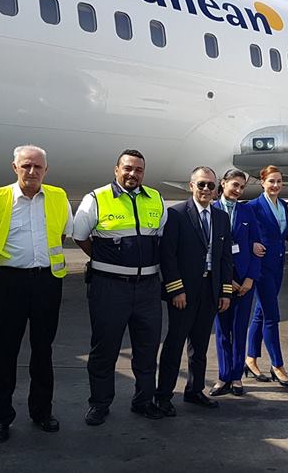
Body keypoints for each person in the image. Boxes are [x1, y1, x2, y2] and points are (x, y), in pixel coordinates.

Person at [0, 145, 73, 443]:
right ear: (14, 168)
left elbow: (62, 234)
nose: (32, 171)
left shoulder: (58, 197)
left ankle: (42, 412)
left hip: (47, 283)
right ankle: (1, 418)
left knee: (43, 351)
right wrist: (4, 268)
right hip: (9, 284)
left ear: (46, 170)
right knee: (3, 352)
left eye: (38, 166)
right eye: (26, 165)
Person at [73, 149, 167, 423]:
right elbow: (80, 236)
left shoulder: (156, 198)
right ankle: (100, 404)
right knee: (105, 349)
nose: (132, 174)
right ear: (116, 170)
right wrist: (107, 260)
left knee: (147, 349)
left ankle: (144, 401)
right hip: (109, 288)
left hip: (148, 288)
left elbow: (160, 237)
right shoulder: (96, 198)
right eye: (127, 168)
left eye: (138, 170)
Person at [155, 167, 234, 414]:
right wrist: (175, 290)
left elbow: (225, 258)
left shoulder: (221, 217)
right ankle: (163, 395)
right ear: (191, 186)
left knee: (199, 345)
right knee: (175, 343)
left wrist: (225, 291)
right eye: (201, 184)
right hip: (185, 291)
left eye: (211, 185)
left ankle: (195, 390)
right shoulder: (177, 214)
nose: (206, 189)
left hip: (210, 289)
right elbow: (168, 256)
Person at [210, 169, 261, 397]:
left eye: (242, 187)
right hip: (222, 280)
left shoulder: (247, 211)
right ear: (223, 183)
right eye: (235, 185)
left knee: (240, 330)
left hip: (244, 281)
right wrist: (227, 280)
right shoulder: (212, 209)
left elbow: (257, 247)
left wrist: (250, 279)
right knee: (222, 331)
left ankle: (237, 376)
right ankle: (224, 376)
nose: (238, 190)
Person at [244, 165, 288, 388]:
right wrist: (251, 245)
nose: (275, 185)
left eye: (279, 182)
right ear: (262, 182)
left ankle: (250, 359)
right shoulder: (253, 207)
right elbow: (240, 232)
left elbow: (285, 233)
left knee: (260, 313)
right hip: (262, 268)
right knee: (272, 316)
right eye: (271, 181)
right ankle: (277, 365)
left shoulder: (283, 205)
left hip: (278, 266)